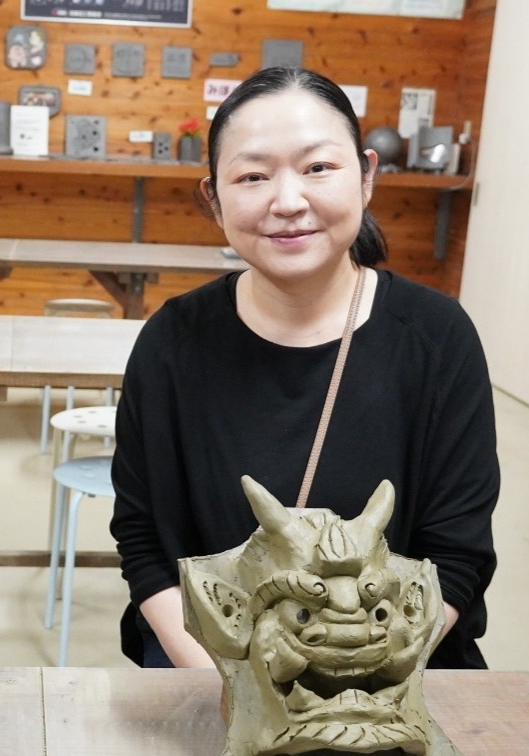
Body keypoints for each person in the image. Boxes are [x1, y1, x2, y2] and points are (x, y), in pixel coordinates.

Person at [110, 67, 499, 670]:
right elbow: (147, 549)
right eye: (253, 176)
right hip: (210, 663)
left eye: (318, 167)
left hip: (396, 668)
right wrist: (239, 688)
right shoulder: (172, 343)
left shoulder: (437, 339)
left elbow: (455, 559)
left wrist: (357, 680)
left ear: (366, 177)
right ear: (214, 199)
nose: (288, 201)